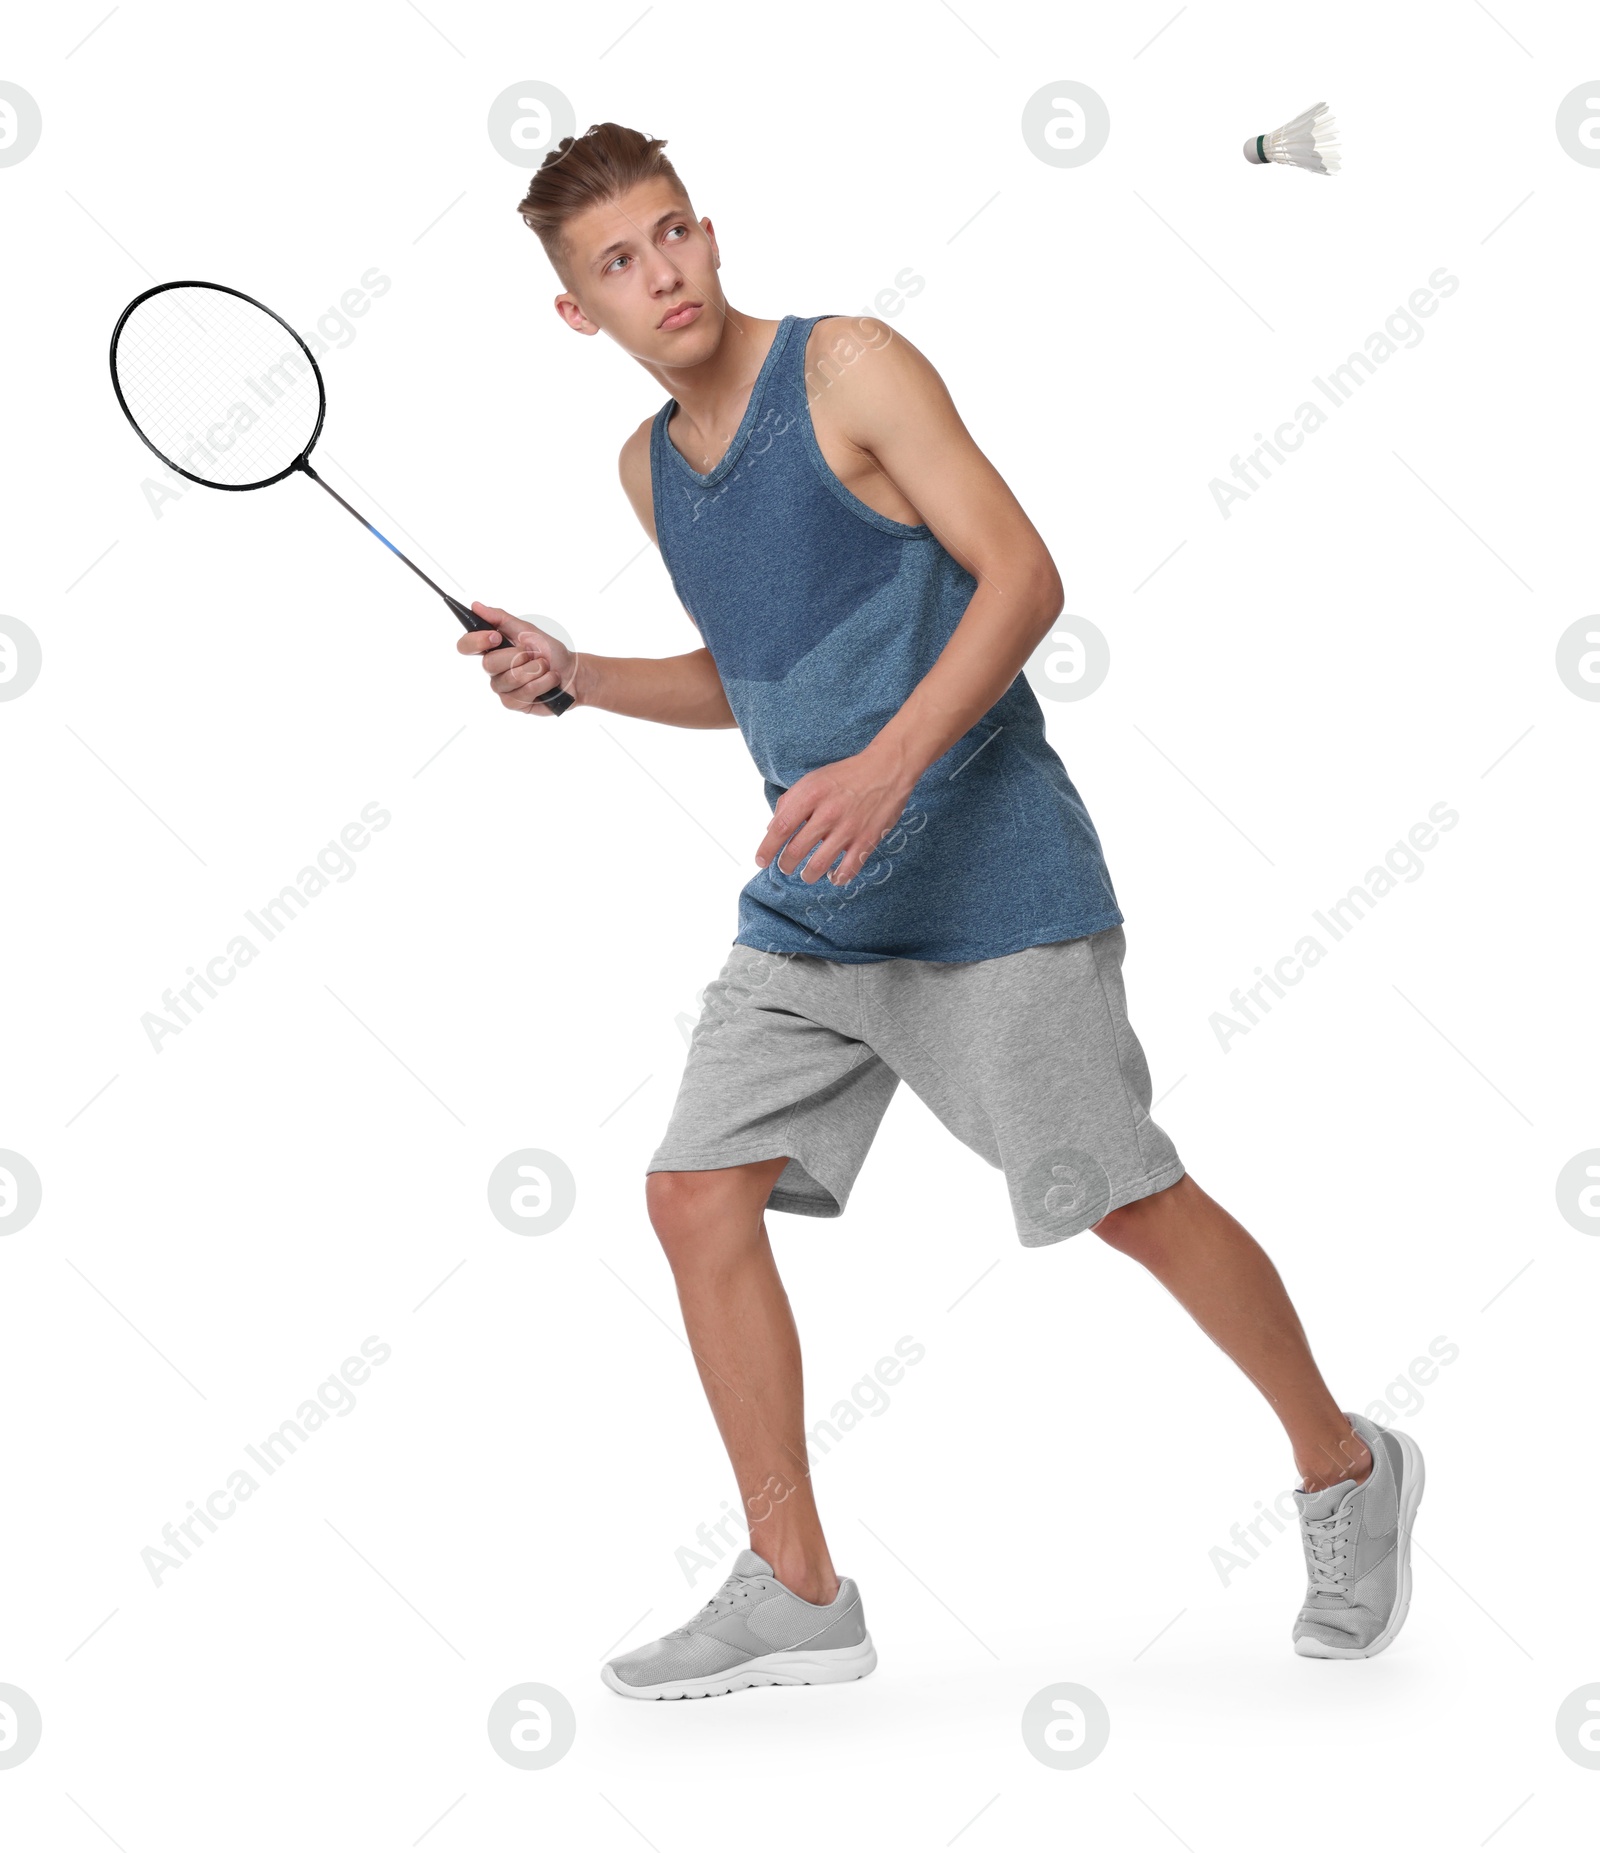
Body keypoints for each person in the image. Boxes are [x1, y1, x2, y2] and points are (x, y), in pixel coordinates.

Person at [459, 122, 1425, 1700]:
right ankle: (795, 1585)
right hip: (818, 904)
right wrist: (578, 682)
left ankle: (1345, 1463)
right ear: (581, 314)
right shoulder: (646, 470)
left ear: (710, 230)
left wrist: (895, 765)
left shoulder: (848, 367)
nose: (664, 276)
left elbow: (1022, 577)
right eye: (618, 265)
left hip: (992, 879)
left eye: (673, 234)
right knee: (693, 1197)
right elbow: (750, 675)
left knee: (1123, 1197)